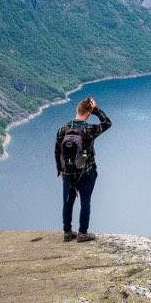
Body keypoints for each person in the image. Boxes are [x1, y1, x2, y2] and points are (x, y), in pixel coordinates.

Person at [54, 96, 112, 242]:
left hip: (68, 173)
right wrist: (96, 110)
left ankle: (67, 232)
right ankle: (82, 233)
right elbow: (107, 123)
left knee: (68, 202)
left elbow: (57, 151)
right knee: (85, 201)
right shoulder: (89, 129)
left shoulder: (62, 129)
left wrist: (60, 169)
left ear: (77, 110)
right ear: (87, 114)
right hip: (86, 172)